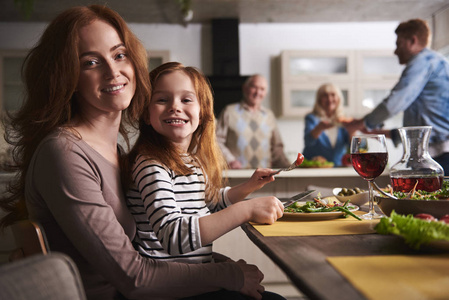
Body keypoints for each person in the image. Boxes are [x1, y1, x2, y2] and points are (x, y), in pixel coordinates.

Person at [0, 5, 273, 300]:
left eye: (119, 55)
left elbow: (151, 255)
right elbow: (136, 278)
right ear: (67, 77)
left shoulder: (116, 151)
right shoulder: (65, 154)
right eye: (91, 62)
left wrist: (222, 266)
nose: (113, 71)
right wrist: (228, 274)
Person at [125, 62, 285, 299]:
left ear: (202, 113)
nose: (175, 107)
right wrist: (247, 209)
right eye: (162, 100)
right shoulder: (151, 165)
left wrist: (249, 187)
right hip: (173, 287)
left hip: (194, 279)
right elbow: (174, 236)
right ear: (146, 114)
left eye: (186, 100)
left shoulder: (191, 161)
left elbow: (208, 203)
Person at [344, 18, 449, 175]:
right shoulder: (437, 62)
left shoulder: (423, 61)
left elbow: (395, 102)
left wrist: (361, 123)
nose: (395, 51)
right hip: (435, 153)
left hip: (438, 157)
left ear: (413, 41)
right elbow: (420, 122)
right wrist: (373, 131)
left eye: (398, 44)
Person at [216, 74, 290, 169]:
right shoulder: (229, 112)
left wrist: (290, 167)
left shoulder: (269, 115)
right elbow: (216, 141)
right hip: (237, 175)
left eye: (262, 89)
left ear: (266, 92)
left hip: (263, 175)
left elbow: (277, 148)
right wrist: (230, 160)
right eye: (254, 87)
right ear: (245, 88)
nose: (258, 92)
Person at [303, 83, 351, 167]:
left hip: (337, 168)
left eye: (333, 95)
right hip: (314, 168)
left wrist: (352, 129)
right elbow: (308, 141)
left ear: (339, 98)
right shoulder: (311, 118)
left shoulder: (344, 119)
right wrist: (319, 128)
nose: (329, 99)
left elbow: (352, 145)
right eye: (325, 95)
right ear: (319, 99)